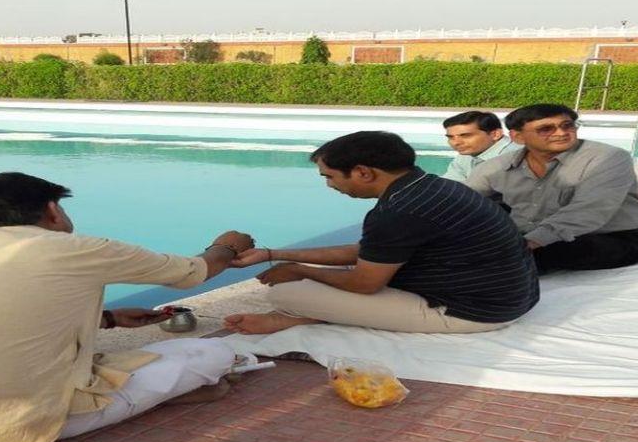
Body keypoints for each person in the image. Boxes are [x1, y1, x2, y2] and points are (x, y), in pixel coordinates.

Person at [0, 172, 253, 442]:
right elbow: (194, 272)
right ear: (52, 210)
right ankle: (164, 396)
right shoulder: (78, 248)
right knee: (211, 353)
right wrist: (226, 246)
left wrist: (108, 319)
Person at [224, 131, 539, 335]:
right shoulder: (433, 187)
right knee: (325, 280)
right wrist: (272, 254)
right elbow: (370, 252)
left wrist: (300, 270)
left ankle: (306, 317)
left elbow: (364, 283)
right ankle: (318, 315)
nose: (330, 185)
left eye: (330, 176)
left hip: (475, 312)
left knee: (286, 294)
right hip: (513, 297)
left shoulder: (399, 210)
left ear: (363, 172)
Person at [466, 103, 638, 273]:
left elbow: (589, 211)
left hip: (616, 237)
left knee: (519, 259)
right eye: (546, 129)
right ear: (517, 136)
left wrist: (527, 244)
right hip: (528, 235)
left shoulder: (608, 158)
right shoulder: (496, 167)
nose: (561, 133)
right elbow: (462, 202)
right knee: (465, 249)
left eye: (567, 125)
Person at [441, 110, 518, 182]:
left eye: (466, 136)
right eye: (451, 137)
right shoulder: (467, 153)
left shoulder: (515, 158)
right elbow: (449, 184)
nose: (456, 143)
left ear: (495, 134)